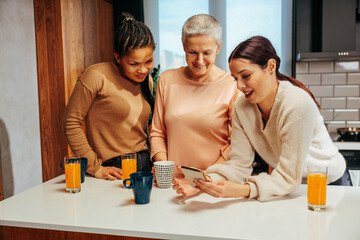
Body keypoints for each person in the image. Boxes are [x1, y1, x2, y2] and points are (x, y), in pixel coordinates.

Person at [174, 36, 348, 201]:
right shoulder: (242, 106)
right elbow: (239, 164)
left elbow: (288, 177)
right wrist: (203, 183)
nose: (240, 86)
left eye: (246, 76)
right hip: (285, 188)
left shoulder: (296, 103)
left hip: (329, 185)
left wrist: (242, 190)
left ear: (271, 66)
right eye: (235, 79)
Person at [63, 12, 155, 180]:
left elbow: (142, 130)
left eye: (148, 61)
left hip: (144, 164)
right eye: (134, 64)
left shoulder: (147, 81)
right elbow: (71, 123)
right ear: (118, 57)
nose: (142, 70)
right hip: (113, 168)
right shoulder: (96, 76)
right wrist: (95, 167)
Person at [150, 14, 239, 178]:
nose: (199, 60)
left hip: (214, 184)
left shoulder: (232, 85)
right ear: (183, 46)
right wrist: (164, 169)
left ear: (218, 47)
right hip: (171, 184)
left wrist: (203, 179)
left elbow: (235, 144)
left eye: (207, 52)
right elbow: (157, 133)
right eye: (192, 52)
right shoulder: (167, 80)